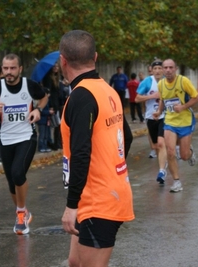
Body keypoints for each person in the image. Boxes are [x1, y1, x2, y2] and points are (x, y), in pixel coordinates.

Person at [59, 30, 134, 267]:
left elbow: (81, 153)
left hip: (97, 202)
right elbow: (127, 137)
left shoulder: (81, 97)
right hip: (99, 195)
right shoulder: (107, 89)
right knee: (74, 262)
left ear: (63, 60)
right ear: (95, 57)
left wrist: (71, 206)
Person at [0, 53, 48, 235]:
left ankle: (21, 212)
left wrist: (38, 110)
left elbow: (44, 97)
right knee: (11, 182)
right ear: (2, 69)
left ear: (20, 69)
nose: (9, 72)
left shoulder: (29, 85)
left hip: (26, 137)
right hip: (5, 139)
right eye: (6, 68)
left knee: (18, 173)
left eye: (12, 68)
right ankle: (23, 212)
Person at [153, 59, 198, 193]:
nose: (168, 70)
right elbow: (163, 100)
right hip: (170, 122)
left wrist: (183, 106)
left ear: (175, 68)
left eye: (170, 67)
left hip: (185, 122)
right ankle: (176, 181)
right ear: (162, 69)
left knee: (184, 156)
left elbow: (196, 97)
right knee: (170, 151)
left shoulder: (183, 81)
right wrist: (159, 112)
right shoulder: (161, 84)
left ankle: (190, 154)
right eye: (165, 68)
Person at [136, 59, 168, 184]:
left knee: (161, 143)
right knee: (155, 146)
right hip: (151, 117)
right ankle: (164, 161)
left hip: (165, 116)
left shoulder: (168, 81)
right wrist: (152, 96)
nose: (158, 71)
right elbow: (137, 98)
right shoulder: (148, 81)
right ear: (152, 70)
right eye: (155, 69)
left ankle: (161, 171)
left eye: (160, 68)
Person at [42, 63, 62, 150]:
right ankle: (51, 143)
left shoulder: (58, 78)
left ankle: (56, 142)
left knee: (57, 124)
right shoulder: (48, 78)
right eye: (54, 66)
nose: (55, 68)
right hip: (52, 103)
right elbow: (49, 92)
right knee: (54, 124)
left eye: (57, 66)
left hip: (57, 102)